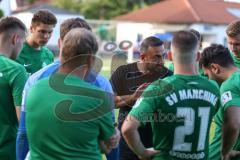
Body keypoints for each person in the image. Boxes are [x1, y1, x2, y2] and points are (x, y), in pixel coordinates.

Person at [16, 17, 120, 160]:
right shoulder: (100, 90)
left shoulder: (34, 84)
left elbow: (23, 133)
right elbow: (109, 141)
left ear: (61, 46)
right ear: (91, 58)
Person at [121, 31, 220, 160]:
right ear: (198, 56)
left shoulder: (158, 88)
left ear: (170, 56)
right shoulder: (213, 88)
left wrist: (143, 153)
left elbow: (128, 128)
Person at [110, 36, 172, 160]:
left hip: (157, 144)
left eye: (163, 56)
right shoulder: (123, 72)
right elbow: (110, 102)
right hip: (127, 144)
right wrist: (133, 97)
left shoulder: (168, 76)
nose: (162, 61)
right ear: (143, 57)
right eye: (157, 57)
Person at [201, 44, 240, 160]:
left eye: (207, 74)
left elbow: (233, 124)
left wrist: (225, 152)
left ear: (215, 68)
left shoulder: (229, 85)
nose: (208, 79)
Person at [0, 16, 28, 160]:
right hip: (7, 152)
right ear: (15, 39)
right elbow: (22, 119)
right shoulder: (16, 70)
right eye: (23, 42)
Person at [16, 9, 57, 74]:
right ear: (32, 29)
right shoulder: (17, 52)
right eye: (42, 31)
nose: (46, 36)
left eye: (50, 32)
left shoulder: (49, 55)